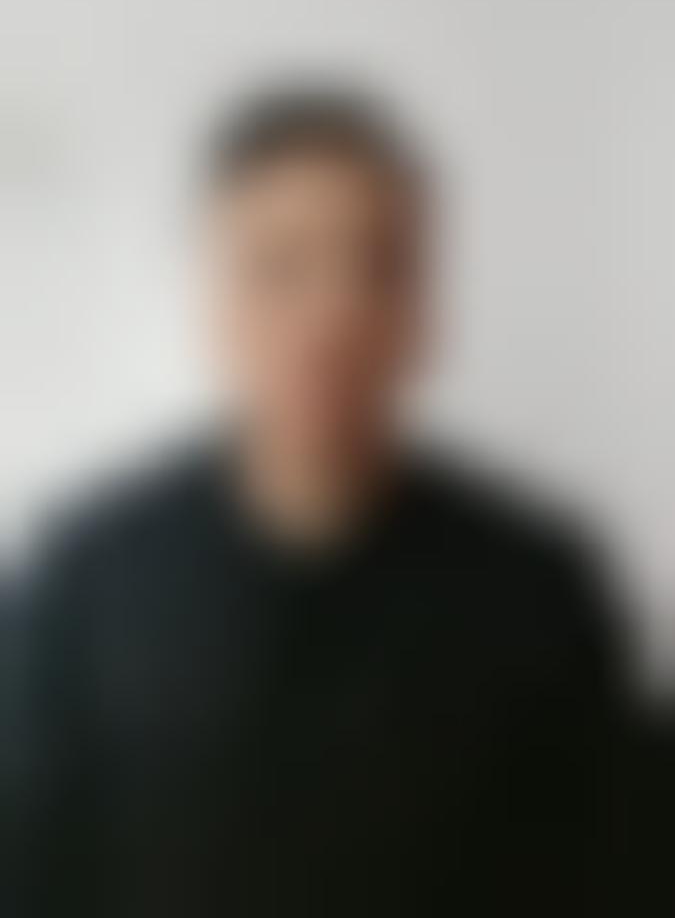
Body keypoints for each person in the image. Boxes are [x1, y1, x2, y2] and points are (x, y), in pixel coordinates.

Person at [13, 83, 623, 916]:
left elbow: (605, 874)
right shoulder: (82, 582)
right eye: (280, 267)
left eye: (379, 267)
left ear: (423, 309)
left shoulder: (542, 589)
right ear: (215, 301)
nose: (333, 315)